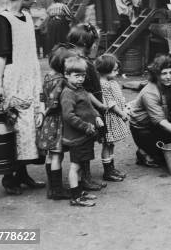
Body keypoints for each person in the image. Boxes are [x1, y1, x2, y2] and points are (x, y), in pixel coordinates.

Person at [0, 0, 46, 195]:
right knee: (12, 125)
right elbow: (1, 56)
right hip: (12, 79)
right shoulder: (4, 20)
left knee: (27, 127)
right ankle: (8, 178)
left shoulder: (27, 17)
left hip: (29, 77)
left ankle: (22, 174)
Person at [65, 23, 106, 191]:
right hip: (84, 108)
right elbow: (87, 91)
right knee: (85, 144)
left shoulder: (72, 58)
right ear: (90, 45)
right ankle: (85, 178)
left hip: (83, 105)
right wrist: (100, 109)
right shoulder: (83, 63)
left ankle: (85, 177)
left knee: (84, 144)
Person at [60, 56, 104, 207]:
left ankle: (79, 191)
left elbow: (89, 107)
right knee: (75, 166)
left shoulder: (81, 89)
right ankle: (75, 196)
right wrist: (85, 126)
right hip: (77, 136)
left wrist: (97, 116)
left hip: (86, 136)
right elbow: (68, 115)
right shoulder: (68, 93)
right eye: (76, 75)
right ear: (67, 74)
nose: (80, 79)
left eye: (83, 75)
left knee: (81, 163)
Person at [37, 44, 77, 200]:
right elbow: (53, 103)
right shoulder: (61, 80)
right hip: (56, 121)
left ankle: (52, 187)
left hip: (48, 122)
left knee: (50, 155)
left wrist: (41, 112)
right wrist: (47, 110)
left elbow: (42, 96)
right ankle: (56, 190)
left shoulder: (47, 76)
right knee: (57, 156)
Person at [95, 54, 129, 182]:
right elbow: (110, 103)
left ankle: (112, 167)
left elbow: (119, 97)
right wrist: (122, 113)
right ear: (104, 69)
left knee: (111, 144)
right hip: (109, 118)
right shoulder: (103, 84)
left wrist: (125, 107)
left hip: (115, 117)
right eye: (114, 70)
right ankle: (107, 171)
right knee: (107, 143)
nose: (117, 72)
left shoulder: (112, 82)